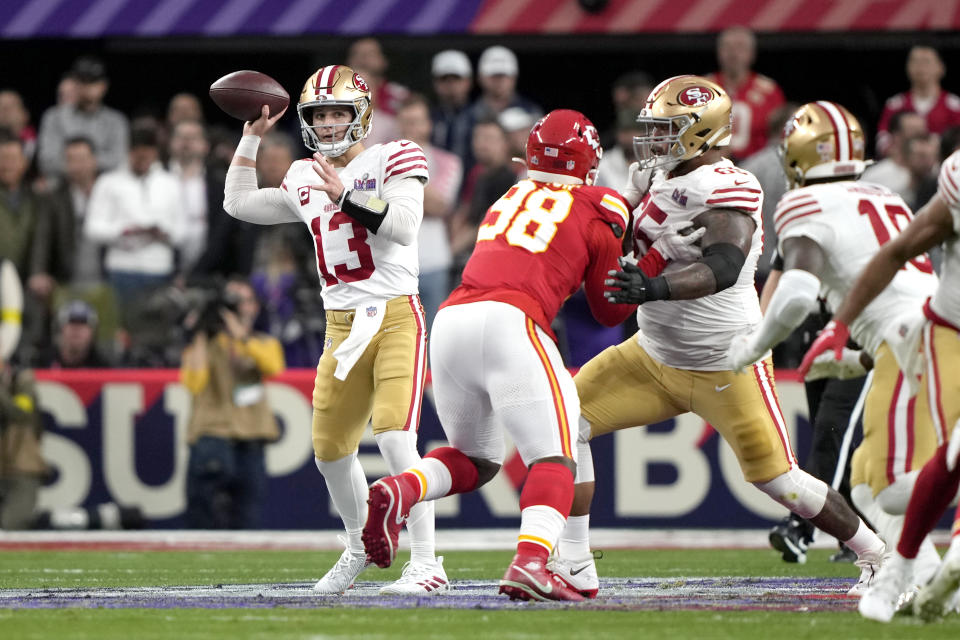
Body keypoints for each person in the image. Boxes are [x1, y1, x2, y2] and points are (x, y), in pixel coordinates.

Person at [554, 76, 885, 599]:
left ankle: (875, 553)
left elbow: (727, 265)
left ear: (701, 133)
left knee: (782, 483)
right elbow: (610, 241)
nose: (654, 140)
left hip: (725, 362)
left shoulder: (728, 185)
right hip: (652, 354)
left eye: (667, 130)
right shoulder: (650, 177)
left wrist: (654, 283)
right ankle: (574, 561)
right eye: (654, 128)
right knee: (562, 421)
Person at [360, 109, 700, 601]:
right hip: (513, 323)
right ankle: (532, 561)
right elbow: (609, 308)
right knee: (556, 459)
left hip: (454, 319)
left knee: (476, 460)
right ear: (587, 160)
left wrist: (620, 206)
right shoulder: (600, 202)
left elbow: (574, 212)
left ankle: (402, 489)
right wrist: (653, 256)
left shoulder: (511, 194)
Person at [221, 64, 444, 596]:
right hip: (341, 324)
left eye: (336, 112)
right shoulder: (302, 175)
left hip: (394, 313)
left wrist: (346, 194)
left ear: (361, 114)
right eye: (318, 114)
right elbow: (238, 204)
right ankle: (359, 544)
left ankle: (428, 562)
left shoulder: (396, 155)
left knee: (394, 437)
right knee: (330, 451)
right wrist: (249, 142)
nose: (325, 123)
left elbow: (405, 226)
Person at [726, 102, 941, 581]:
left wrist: (752, 347)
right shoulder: (885, 195)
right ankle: (903, 575)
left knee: (884, 478)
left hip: (903, 341)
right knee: (869, 481)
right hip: (928, 332)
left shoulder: (804, 201)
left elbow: (797, 292)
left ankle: (911, 575)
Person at [801, 149, 960, 623]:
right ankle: (918, 570)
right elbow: (897, 250)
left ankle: (916, 572)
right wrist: (839, 326)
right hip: (946, 331)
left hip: (931, 332)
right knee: (882, 479)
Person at [180, 278, 284, 529]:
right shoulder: (205, 345)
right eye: (231, 300)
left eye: (244, 300)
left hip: (252, 436)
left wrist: (241, 337)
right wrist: (201, 333)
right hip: (212, 435)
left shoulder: (263, 342)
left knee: (247, 518)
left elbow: (273, 367)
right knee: (202, 516)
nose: (237, 307)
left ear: (255, 307)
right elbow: (193, 383)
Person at [84, 125, 184, 325]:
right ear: (129, 152)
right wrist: (124, 230)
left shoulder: (170, 183)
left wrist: (164, 232)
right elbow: (92, 228)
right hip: (122, 270)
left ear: (155, 154)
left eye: (147, 158)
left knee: (156, 332)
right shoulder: (108, 182)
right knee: (121, 330)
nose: (142, 163)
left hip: (159, 270)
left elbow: (182, 232)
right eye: (138, 158)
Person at [396, 94, 462, 325]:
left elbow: (440, 205)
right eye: (406, 121)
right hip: (395, 264)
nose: (410, 127)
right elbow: (379, 205)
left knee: (433, 336)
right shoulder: (383, 159)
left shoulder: (448, 161)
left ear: (428, 124)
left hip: (434, 262)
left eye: (416, 121)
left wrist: (403, 172)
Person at [37, 57, 129, 182]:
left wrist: (80, 163)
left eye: (92, 81)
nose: (87, 87)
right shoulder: (54, 117)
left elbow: (118, 160)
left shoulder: (116, 121)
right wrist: (86, 166)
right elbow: (47, 161)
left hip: (104, 186)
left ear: (103, 86)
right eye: (82, 81)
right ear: (74, 84)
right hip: (64, 187)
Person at [706, 26, 785, 160]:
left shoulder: (769, 91)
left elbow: (778, 137)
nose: (733, 53)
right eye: (727, 47)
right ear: (719, 52)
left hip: (757, 169)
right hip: (713, 168)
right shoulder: (704, 88)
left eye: (740, 47)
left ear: (752, 53)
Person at [876, 46, 960, 157]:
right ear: (907, 68)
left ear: (941, 68)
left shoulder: (954, 106)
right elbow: (882, 137)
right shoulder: (895, 105)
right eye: (915, 62)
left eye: (926, 62)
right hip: (902, 166)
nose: (921, 67)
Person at [346, 38, 409, 146]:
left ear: (383, 60)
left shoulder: (400, 95)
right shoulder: (334, 98)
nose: (363, 59)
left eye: (370, 54)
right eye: (358, 54)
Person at [862, 111, 928, 199]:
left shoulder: (939, 175)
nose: (920, 145)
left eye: (923, 136)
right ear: (897, 136)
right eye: (913, 134)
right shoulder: (874, 177)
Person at [430, 50, 475, 172]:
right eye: (444, 79)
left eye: (456, 78)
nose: (451, 84)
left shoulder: (479, 116)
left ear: (468, 82)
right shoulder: (428, 117)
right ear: (435, 83)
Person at [470, 46, 541, 123]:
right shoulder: (469, 115)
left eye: (503, 75)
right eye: (493, 76)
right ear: (480, 78)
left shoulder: (531, 112)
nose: (499, 81)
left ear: (514, 78)